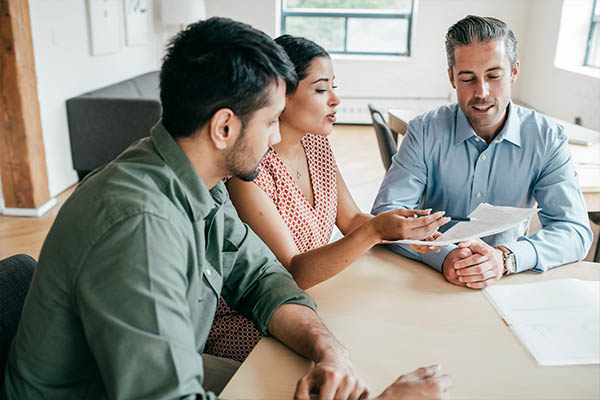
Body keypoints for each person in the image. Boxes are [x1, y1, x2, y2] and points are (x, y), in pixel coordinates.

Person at [1, 18, 452, 400]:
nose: (277, 138)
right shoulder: (138, 225)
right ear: (223, 127)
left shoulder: (200, 178)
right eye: (271, 121)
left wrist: (328, 350)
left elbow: (262, 280)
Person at [205, 35, 450, 362]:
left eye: (334, 86)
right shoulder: (247, 171)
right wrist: (376, 231)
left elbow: (349, 220)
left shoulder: (316, 144)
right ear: (281, 96)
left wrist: (403, 228)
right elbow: (293, 273)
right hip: (253, 315)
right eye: (321, 90)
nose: (335, 100)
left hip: (317, 294)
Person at [372, 15, 593, 290]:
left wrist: (506, 258)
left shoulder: (546, 138)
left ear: (513, 72)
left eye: (494, 76)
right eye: (467, 78)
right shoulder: (425, 130)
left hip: (509, 281)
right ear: (452, 78)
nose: (482, 92)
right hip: (430, 280)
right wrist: (446, 256)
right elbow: (386, 213)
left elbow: (574, 231)